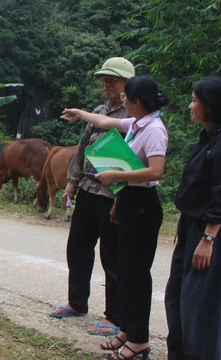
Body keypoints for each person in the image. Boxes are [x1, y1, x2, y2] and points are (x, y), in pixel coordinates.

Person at [61, 76, 170, 360]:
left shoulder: (154, 129)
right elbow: (106, 123)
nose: (122, 102)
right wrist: (80, 114)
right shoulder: (136, 123)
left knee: (136, 274)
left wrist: (116, 176)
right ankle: (127, 333)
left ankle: (139, 342)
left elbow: (156, 171)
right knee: (126, 271)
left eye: (126, 98)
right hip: (128, 200)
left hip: (143, 205)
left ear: (137, 102)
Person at [165, 77, 221, 360]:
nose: (190, 105)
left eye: (195, 100)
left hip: (212, 231)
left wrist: (208, 238)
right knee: (178, 299)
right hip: (193, 225)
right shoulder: (211, 135)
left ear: (211, 106)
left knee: (202, 308)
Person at [48, 57, 135, 339]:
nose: (106, 84)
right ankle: (77, 302)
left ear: (127, 85)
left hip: (113, 195)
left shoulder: (133, 116)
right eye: (104, 79)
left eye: (113, 79)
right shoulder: (98, 111)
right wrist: (71, 186)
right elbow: (81, 152)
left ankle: (115, 316)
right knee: (78, 247)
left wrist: (123, 198)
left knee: (112, 255)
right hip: (88, 190)